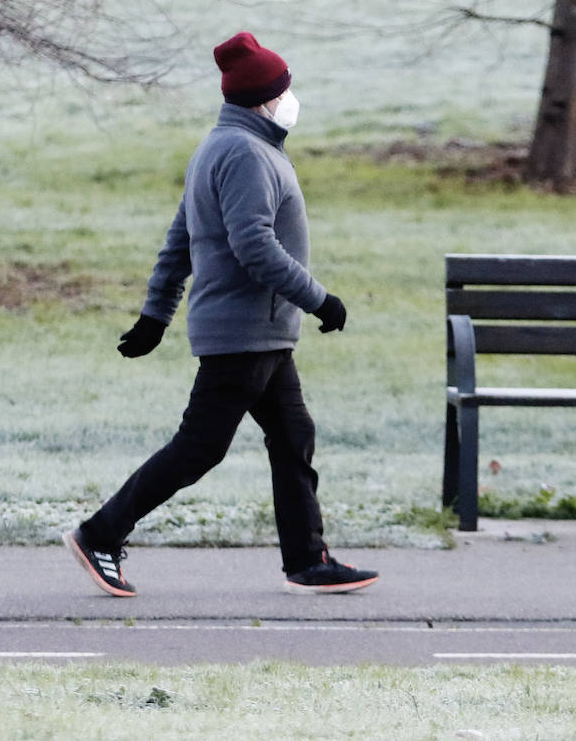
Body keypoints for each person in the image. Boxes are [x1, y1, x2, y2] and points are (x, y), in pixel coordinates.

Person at [64, 31, 378, 596]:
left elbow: (179, 239)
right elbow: (253, 245)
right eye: (285, 89)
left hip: (263, 333)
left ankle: (307, 560)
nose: (290, 97)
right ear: (264, 98)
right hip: (244, 331)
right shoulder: (244, 154)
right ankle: (100, 533)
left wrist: (155, 316)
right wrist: (320, 299)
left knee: (293, 436)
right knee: (201, 447)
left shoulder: (225, 146)